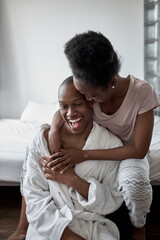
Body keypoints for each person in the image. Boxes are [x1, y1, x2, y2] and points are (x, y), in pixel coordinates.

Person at [47, 31, 160, 240]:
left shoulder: (142, 92)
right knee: (37, 149)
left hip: (129, 155)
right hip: (95, 146)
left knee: (135, 184)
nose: (89, 100)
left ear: (111, 82)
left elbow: (139, 149)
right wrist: (54, 128)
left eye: (92, 95)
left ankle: (138, 224)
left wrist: (84, 155)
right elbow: (66, 106)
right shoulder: (88, 84)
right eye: (85, 95)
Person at [21, 76, 124, 240]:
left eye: (77, 104)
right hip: (51, 227)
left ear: (90, 102)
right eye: (64, 106)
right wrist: (68, 236)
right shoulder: (43, 141)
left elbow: (113, 200)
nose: (70, 113)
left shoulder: (109, 144)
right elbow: (34, 198)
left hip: (92, 226)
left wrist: (72, 179)